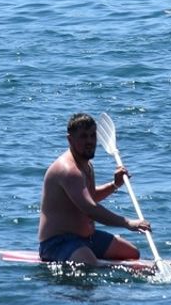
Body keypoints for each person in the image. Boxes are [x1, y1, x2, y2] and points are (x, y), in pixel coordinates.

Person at [37, 113, 150, 266]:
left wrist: (114, 184)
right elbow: (89, 208)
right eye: (83, 137)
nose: (89, 141)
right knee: (89, 263)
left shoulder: (87, 165)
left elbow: (91, 196)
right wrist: (128, 223)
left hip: (88, 238)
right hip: (58, 242)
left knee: (132, 253)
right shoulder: (69, 170)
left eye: (92, 136)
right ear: (70, 139)